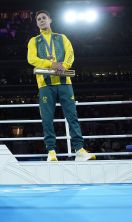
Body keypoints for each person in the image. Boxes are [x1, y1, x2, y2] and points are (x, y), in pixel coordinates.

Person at [27, 10, 95, 161]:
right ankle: (51, 151)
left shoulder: (61, 37)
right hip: (45, 84)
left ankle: (79, 150)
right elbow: (31, 59)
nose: (42, 20)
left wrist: (64, 65)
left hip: (64, 82)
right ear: (36, 23)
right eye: (39, 19)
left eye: (44, 18)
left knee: (72, 116)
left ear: (50, 19)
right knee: (47, 118)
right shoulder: (34, 41)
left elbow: (70, 53)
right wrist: (52, 64)